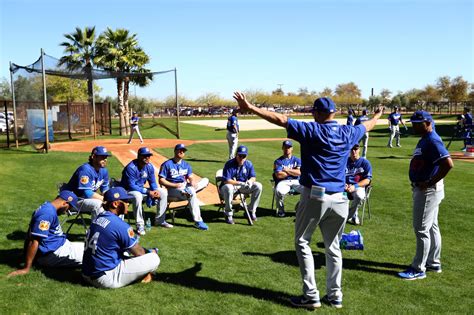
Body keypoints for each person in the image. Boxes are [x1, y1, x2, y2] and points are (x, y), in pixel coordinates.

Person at [233, 91, 382, 309]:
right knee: (333, 247)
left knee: (302, 241)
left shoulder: (312, 129)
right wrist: (377, 115)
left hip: (316, 195)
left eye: (314, 112)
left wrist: (251, 108)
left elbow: (280, 119)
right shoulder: (347, 131)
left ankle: (311, 295)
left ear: (320, 114)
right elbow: (367, 126)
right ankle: (335, 295)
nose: (312, 116)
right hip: (341, 198)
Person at [398, 110, 453, 280]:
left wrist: (429, 182)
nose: (413, 125)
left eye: (417, 122)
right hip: (427, 188)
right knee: (432, 226)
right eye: (413, 122)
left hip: (428, 190)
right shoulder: (426, 139)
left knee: (421, 229)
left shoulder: (433, 140)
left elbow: (448, 164)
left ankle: (418, 268)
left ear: (428, 123)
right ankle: (433, 262)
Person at [82, 187, 160, 289]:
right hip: (105, 278)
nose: (128, 204)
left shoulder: (98, 218)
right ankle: (144, 274)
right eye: (126, 201)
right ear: (115, 204)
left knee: (125, 252)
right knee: (154, 258)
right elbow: (139, 253)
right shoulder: (120, 225)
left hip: (86, 273)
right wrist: (150, 252)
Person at [8, 190, 83, 277]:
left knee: (91, 248)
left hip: (62, 246)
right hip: (55, 253)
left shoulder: (47, 206)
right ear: (65, 203)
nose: (66, 212)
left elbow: (30, 233)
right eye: (69, 208)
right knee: (93, 256)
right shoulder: (47, 214)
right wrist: (26, 268)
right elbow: (34, 240)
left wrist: (24, 254)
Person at [120, 147, 172, 236]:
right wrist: (148, 192)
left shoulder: (149, 166)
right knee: (137, 195)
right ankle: (140, 225)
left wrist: (155, 192)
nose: (147, 158)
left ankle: (160, 220)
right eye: (145, 156)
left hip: (140, 189)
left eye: (149, 156)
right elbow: (131, 186)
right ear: (139, 156)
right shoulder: (131, 168)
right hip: (127, 191)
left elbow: (152, 182)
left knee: (162, 192)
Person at [159, 144, 209, 230]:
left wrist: (192, 182)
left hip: (185, 186)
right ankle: (198, 221)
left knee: (205, 180)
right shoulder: (167, 164)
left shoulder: (186, 165)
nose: (182, 152)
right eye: (180, 150)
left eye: (183, 151)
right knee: (191, 192)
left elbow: (190, 177)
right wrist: (174, 185)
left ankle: (189, 190)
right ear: (175, 151)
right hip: (173, 189)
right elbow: (161, 180)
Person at [63, 146, 110, 219]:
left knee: (117, 202)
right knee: (98, 204)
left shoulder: (104, 171)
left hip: (85, 200)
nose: (105, 159)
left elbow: (105, 189)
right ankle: (96, 229)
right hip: (73, 201)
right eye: (102, 157)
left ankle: (116, 229)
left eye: (106, 157)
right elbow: (87, 193)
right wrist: (105, 200)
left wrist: (111, 198)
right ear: (94, 157)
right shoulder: (85, 170)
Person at [220, 145, 263, 224]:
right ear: (236, 155)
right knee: (228, 187)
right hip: (227, 188)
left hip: (242, 187)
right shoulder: (229, 164)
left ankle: (250, 210)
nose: (241, 158)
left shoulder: (249, 164)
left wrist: (250, 181)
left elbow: (253, 177)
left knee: (258, 186)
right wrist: (239, 183)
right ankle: (228, 214)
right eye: (240, 155)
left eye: (244, 156)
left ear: (246, 156)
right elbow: (226, 180)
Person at [344, 144, 372, 225]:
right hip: (344, 187)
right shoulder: (344, 161)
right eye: (352, 149)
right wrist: (344, 185)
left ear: (359, 150)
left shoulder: (365, 163)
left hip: (358, 186)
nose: (354, 151)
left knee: (359, 196)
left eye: (356, 149)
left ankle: (347, 216)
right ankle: (351, 215)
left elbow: (367, 180)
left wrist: (354, 186)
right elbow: (337, 175)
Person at [273, 140, 302, 217]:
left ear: (292, 148)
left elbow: (299, 173)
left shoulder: (297, 160)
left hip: (297, 181)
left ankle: (299, 207)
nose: (287, 149)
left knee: (308, 190)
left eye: (289, 147)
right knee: (279, 191)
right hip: (284, 182)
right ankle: (281, 210)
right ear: (282, 148)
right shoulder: (278, 161)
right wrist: (293, 171)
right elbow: (279, 175)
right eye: (285, 147)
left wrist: (287, 170)